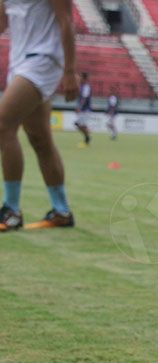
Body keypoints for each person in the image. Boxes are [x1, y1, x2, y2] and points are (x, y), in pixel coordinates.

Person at [0, 0, 78, 232]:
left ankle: (11, 210)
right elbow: (2, 23)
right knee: (40, 139)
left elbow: (66, 21)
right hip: (20, 61)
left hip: (44, 59)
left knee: (3, 125)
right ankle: (61, 211)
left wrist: (70, 71)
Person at [74, 71, 92, 147]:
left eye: (81, 77)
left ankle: (87, 139)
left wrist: (79, 107)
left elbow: (84, 99)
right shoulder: (81, 86)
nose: (79, 78)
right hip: (83, 110)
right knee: (79, 125)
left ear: (84, 78)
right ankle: (87, 137)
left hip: (85, 110)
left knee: (79, 124)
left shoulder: (86, 87)